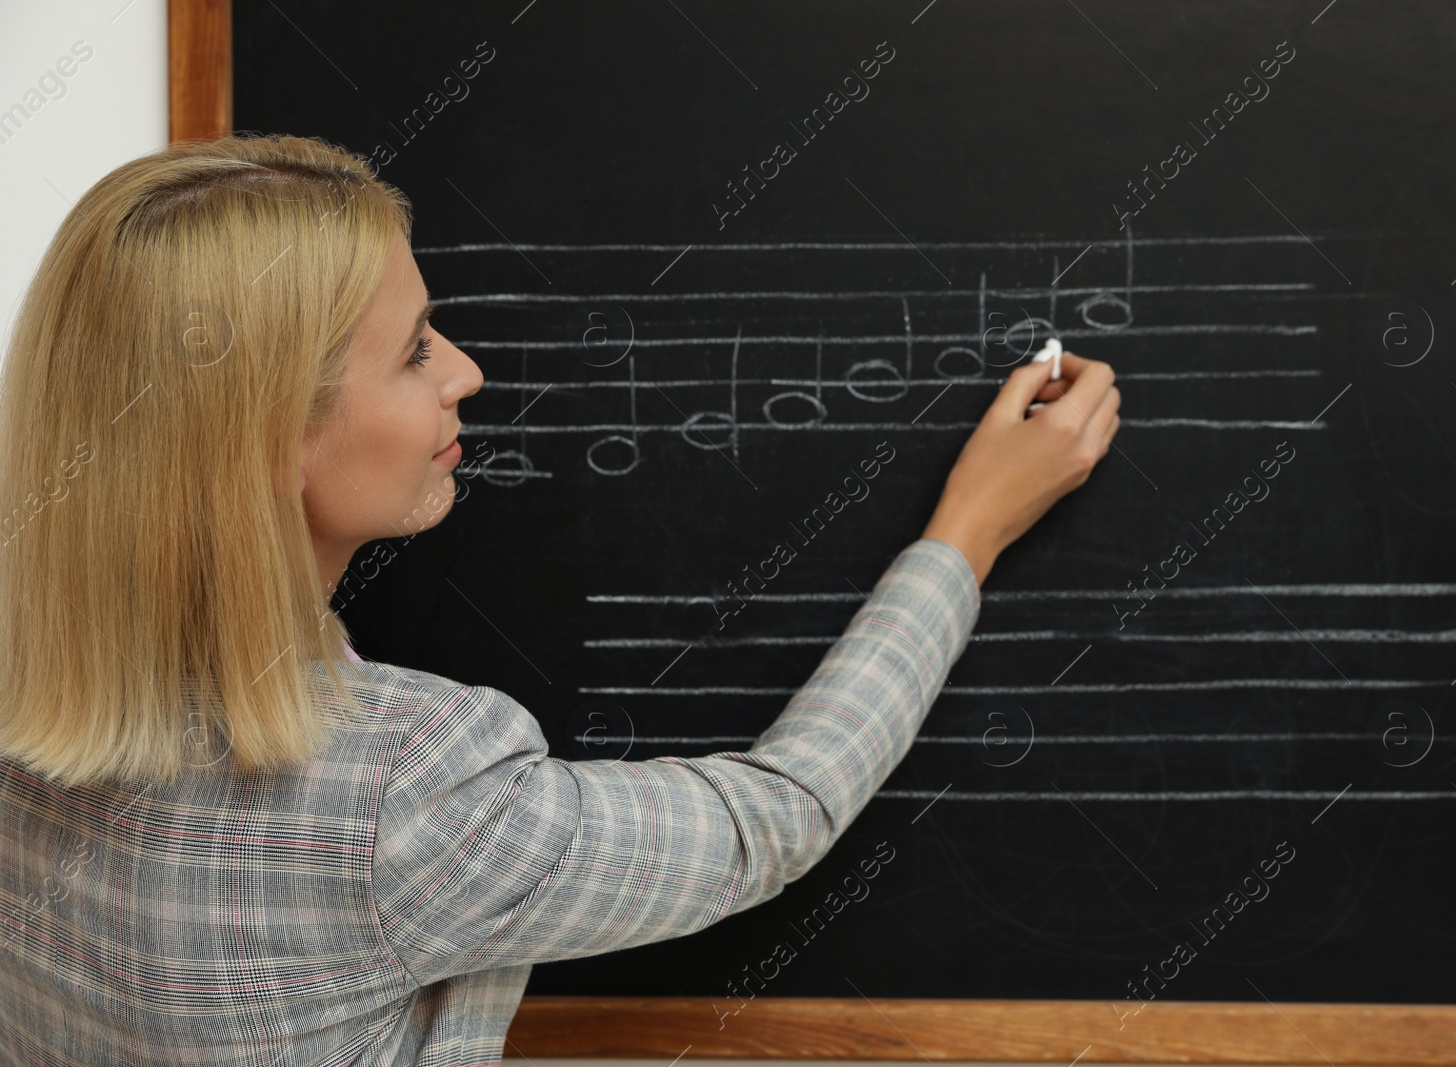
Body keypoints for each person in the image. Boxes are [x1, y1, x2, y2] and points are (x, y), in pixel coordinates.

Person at [0, 134, 1119, 1064]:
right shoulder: (404, 788)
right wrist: (966, 530)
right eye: (413, 351)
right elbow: (770, 820)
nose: (465, 373)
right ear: (267, 437)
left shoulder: (27, 686)